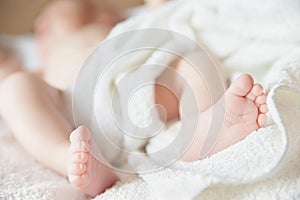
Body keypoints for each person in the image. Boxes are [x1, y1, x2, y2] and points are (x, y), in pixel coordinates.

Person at [0, 0, 268, 197]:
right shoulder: (38, 70)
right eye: (39, 26)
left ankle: (201, 129)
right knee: (14, 89)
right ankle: (69, 158)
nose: (40, 24)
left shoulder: (120, 30)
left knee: (196, 59)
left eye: (53, 12)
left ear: (105, 16)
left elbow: (164, 14)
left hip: (141, 80)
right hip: (74, 110)